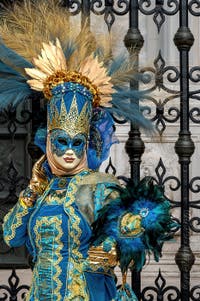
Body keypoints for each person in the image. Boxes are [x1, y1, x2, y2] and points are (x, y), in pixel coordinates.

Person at [1, 1, 177, 300]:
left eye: (76, 143)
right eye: (61, 142)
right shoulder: (42, 190)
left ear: (86, 143)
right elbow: (10, 235)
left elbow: (134, 232)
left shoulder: (100, 187)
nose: (69, 152)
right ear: (48, 142)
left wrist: (115, 248)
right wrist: (32, 189)